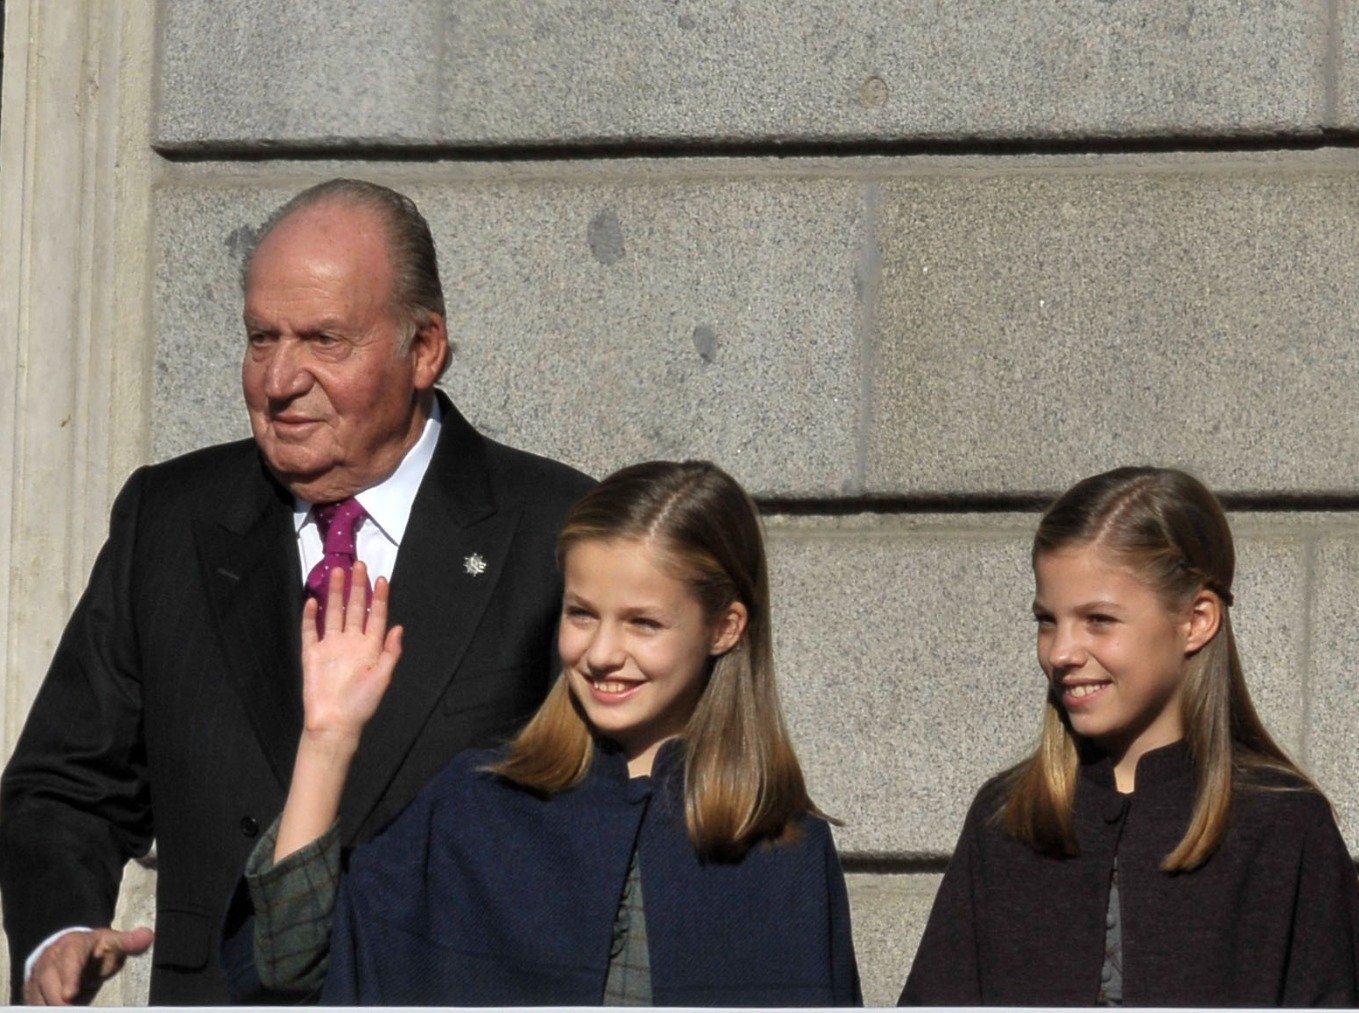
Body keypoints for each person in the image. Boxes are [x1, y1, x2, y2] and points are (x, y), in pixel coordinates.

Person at [0, 179, 594, 1004]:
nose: (279, 379)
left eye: (323, 340)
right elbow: (68, 783)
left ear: (423, 348)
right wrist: (57, 933)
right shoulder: (170, 521)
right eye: (260, 338)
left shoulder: (556, 531)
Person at [222, 460, 860, 1005]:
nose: (603, 653)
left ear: (725, 627)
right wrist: (328, 738)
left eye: (643, 623)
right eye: (582, 613)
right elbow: (289, 969)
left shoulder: (786, 852)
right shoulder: (476, 807)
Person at [899, 466, 1359, 1007]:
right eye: (1047, 620)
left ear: (1197, 619)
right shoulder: (1008, 819)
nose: (1061, 652)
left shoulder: (1281, 826)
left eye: (1099, 620)